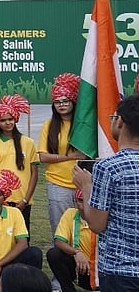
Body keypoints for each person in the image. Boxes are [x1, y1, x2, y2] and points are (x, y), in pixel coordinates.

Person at [72, 93, 139, 292]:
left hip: (121, 270)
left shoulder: (108, 167)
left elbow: (97, 224)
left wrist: (86, 186)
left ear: (120, 122)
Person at [37, 74, 85, 238]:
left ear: (73, 101)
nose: (62, 105)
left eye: (65, 101)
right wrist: (71, 156)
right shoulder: (49, 125)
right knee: (59, 230)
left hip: (83, 183)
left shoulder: (83, 125)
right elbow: (43, 157)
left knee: (85, 227)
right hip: (58, 184)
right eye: (57, 102)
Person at [0, 94, 38, 230]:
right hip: (0, 199)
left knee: (22, 235)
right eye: (3, 120)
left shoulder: (28, 142)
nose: (8, 123)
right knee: (1, 234)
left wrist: (26, 200)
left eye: (10, 119)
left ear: (15, 119)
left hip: (22, 199)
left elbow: (34, 174)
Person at [47, 189, 98, 292]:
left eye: (88, 200)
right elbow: (59, 241)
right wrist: (77, 252)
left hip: (102, 272)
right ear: (75, 202)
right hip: (81, 270)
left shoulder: (103, 218)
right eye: (80, 200)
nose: (84, 204)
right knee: (54, 254)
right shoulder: (71, 214)